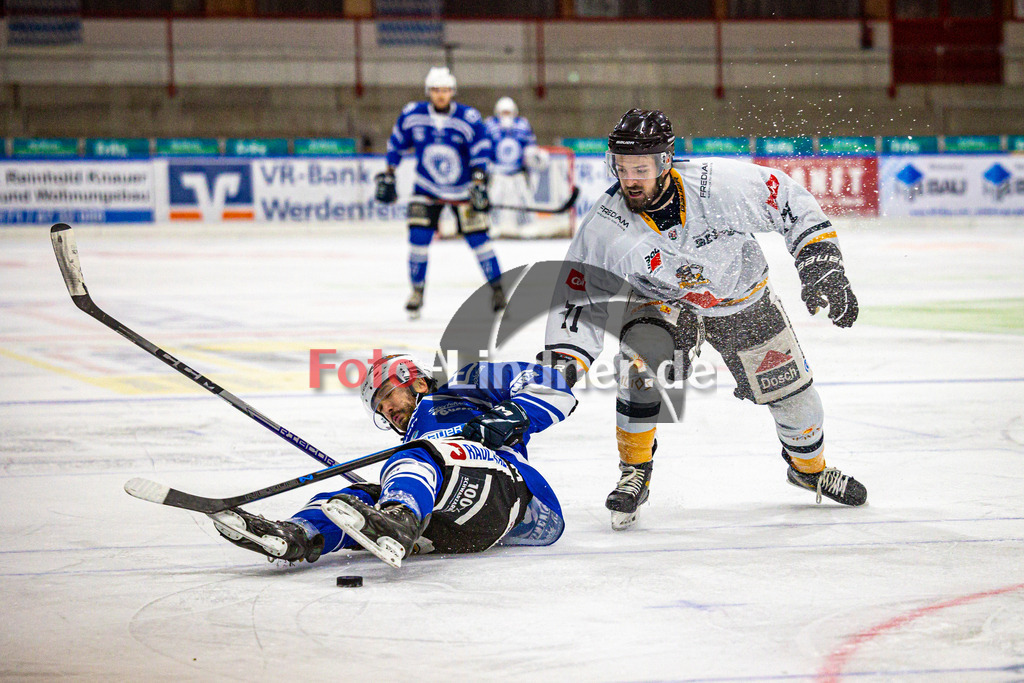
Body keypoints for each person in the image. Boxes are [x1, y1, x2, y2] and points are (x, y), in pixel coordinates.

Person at [541, 108, 867, 530]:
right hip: (663, 300)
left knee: (796, 401)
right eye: (621, 167)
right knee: (640, 363)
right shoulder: (606, 225)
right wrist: (566, 358)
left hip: (742, 300)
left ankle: (809, 470)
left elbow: (788, 198)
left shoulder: (718, 186)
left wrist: (820, 262)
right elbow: (579, 295)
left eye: (640, 169)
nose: (629, 180)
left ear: (665, 162)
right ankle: (635, 470)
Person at [213, 354, 577, 568]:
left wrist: (510, 416)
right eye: (380, 407)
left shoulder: (462, 388)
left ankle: (400, 519)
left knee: (416, 456)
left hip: (509, 494)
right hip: (454, 529)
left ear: (417, 383)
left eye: (388, 394)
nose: (387, 409)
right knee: (353, 499)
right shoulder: (414, 442)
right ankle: (297, 535)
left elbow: (552, 385)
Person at [374, 67, 505, 319]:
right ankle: (417, 292)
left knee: (479, 241)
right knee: (418, 239)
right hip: (427, 189)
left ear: (452, 91)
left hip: (463, 191)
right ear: (429, 91)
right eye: (436, 90)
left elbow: (481, 149)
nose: (441, 95)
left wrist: (479, 180)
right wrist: (389, 171)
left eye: (445, 90)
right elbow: (397, 143)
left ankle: (498, 290)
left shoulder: (468, 117)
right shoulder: (413, 115)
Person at [483, 97, 547, 232]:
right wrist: (487, 165)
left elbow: (529, 145)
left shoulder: (522, 125)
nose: (506, 115)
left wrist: (533, 156)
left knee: (523, 198)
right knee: (494, 198)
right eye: (503, 112)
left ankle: (526, 225)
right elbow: (485, 147)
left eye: (508, 112)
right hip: (497, 172)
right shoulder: (489, 125)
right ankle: (492, 224)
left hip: (517, 170)